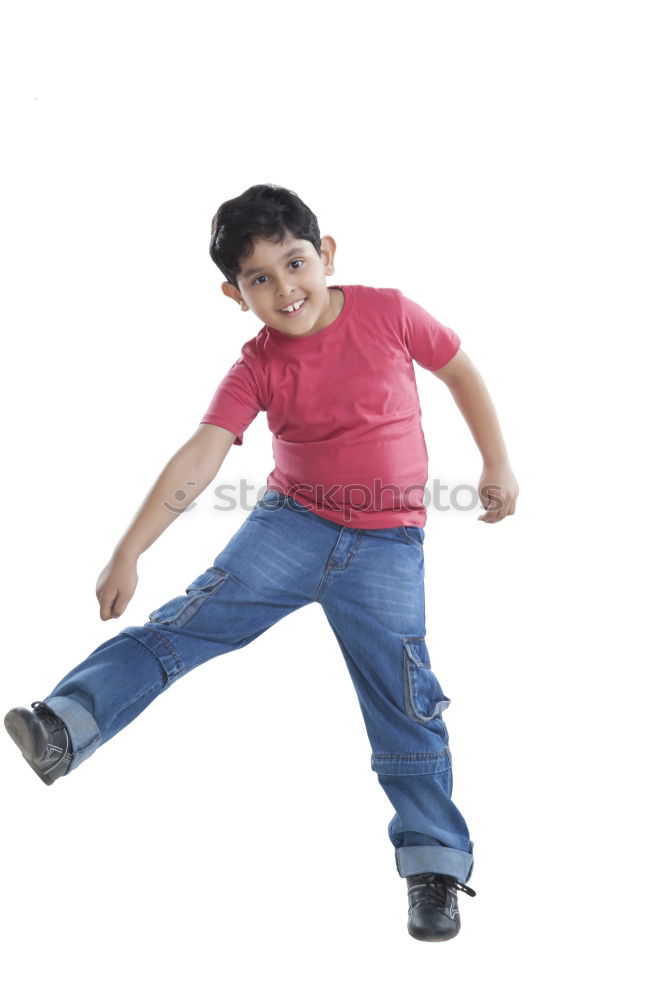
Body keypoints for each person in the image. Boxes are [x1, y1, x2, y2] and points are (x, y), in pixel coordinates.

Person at [4, 183, 519, 942]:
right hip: (291, 528)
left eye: (295, 263)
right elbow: (200, 456)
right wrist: (129, 548)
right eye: (260, 280)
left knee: (406, 701)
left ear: (327, 254)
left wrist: (496, 462)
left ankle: (435, 866)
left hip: (386, 545)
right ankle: (65, 725)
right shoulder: (256, 366)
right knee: (183, 626)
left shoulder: (390, 311)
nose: (286, 289)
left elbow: (462, 372)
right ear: (234, 293)